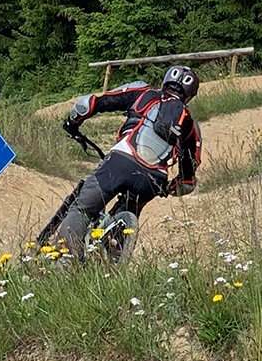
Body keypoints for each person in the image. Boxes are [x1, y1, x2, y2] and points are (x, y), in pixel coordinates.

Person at [57, 65, 202, 256]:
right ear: (190, 96)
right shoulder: (190, 126)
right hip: (152, 181)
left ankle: (65, 261)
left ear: (165, 82)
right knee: (125, 226)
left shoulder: (144, 94)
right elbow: (188, 181)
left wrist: (73, 122)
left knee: (82, 210)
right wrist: (169, 188)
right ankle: (112, 266)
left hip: (120, 162)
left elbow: (90, 103)